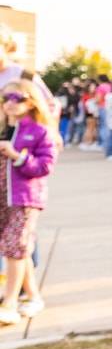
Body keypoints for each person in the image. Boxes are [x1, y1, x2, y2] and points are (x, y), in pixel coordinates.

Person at [0, 79, 57, 324]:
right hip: (3, 198)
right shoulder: (2, 129)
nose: (10, 104)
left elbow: (45, 166)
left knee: (15, 248)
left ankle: (10, 302)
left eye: (18, 98)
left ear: (31, 101)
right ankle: (33, 296)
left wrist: (17, 157)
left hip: (24, 199)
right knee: (19, 250)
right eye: (5, 98)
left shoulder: (39, 130)